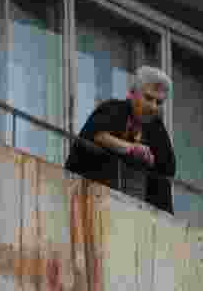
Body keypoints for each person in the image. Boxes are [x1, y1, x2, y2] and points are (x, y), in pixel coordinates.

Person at [65, 65, 176, 214]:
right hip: (89, 197)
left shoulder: (157, 128)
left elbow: (167, 169)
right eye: (148, 98)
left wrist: (151, 160)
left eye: (159, 102)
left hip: (136, 207)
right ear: (132, 94)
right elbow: (95, 135)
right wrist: (131, 148)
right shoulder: (114, 108)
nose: (153, 107)